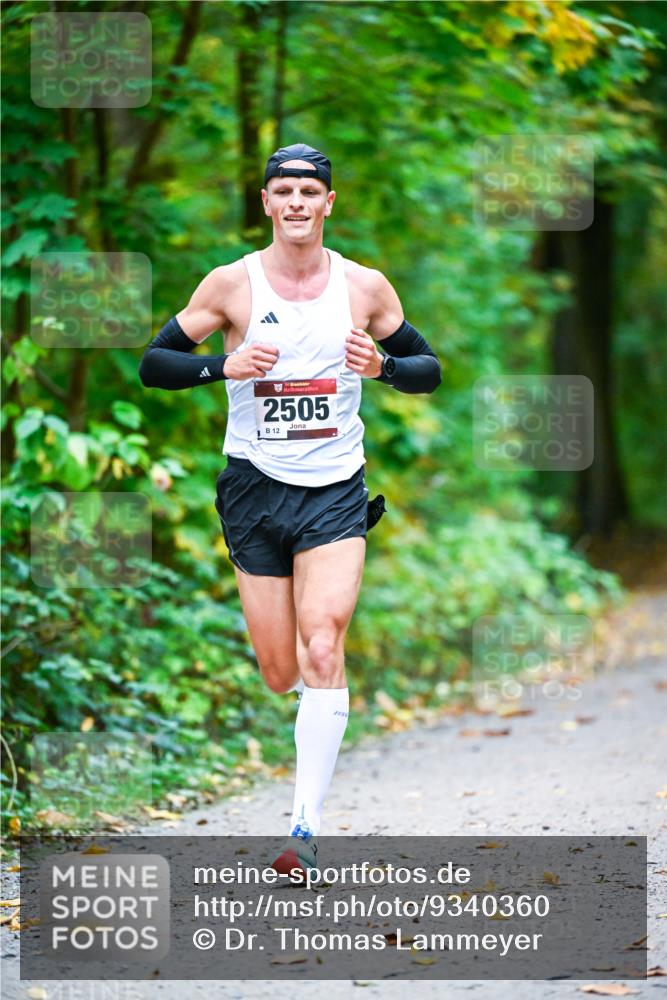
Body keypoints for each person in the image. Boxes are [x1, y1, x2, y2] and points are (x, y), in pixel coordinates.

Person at [139, 143, 441, 875]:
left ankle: (303, 829)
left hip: (335, 489)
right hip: (253, 489)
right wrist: (222, 364)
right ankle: (310, 718)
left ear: (328, 203)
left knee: (322, 645)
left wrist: (386, 367)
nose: (298, 203)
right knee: (281, 671)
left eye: (310, 190)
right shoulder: (232, 286)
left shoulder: (364, 287)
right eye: (284, 191)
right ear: (267, 204)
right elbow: (154, 365)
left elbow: (427, 369)